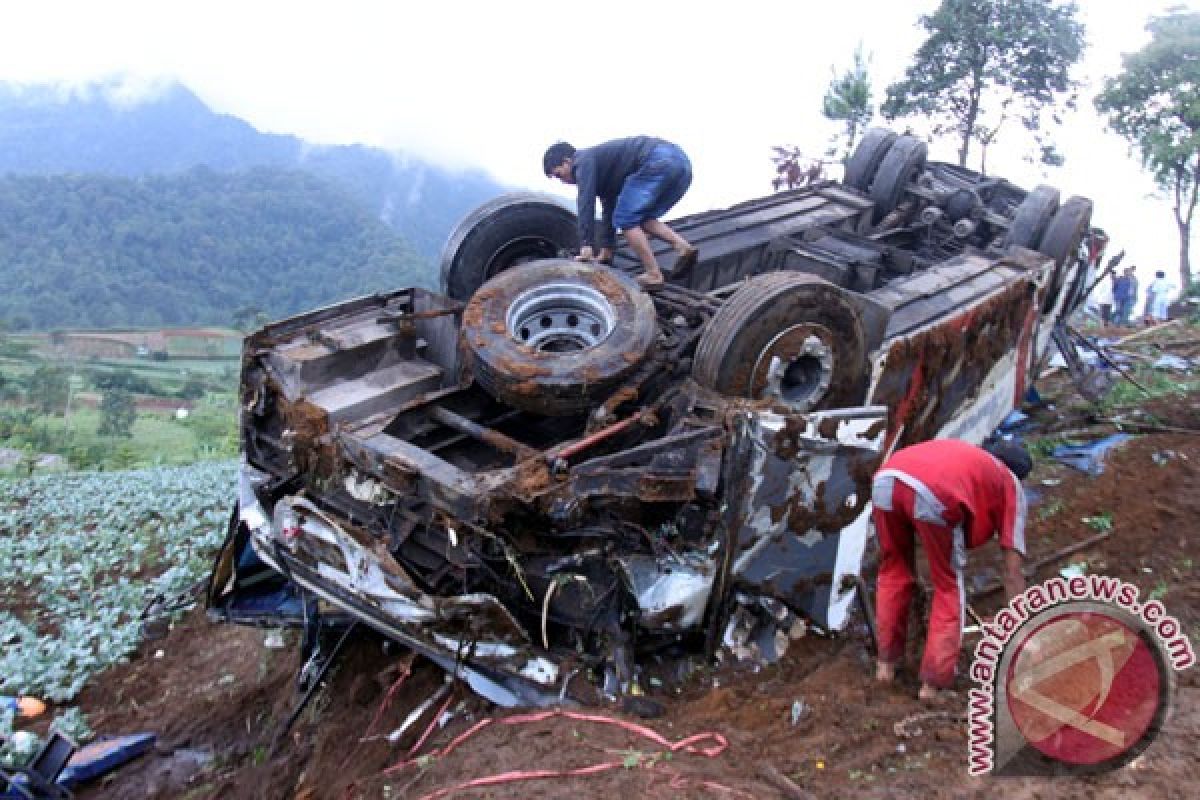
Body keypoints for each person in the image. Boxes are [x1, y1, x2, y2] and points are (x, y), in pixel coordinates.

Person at [871, 438, 1031, 701]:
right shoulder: (1009, 482)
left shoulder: (970, 459)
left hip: (886, 480)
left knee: (893, 572)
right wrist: (1022, 629)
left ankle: (885, 668)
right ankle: (932, 686)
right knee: (948, 586)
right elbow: (1012, 571)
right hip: (933, 492)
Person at [544, 136, 698, 286]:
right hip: (680, 164)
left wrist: (586, 245)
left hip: (657, 159)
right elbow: (608, 210)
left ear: (567, 161)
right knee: (640, 217)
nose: (563, 181)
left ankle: (653, 274)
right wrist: (606, 251)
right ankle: (683, 247)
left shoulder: (582, 160)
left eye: (559, 174)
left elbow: (586, 201)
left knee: (626, 219)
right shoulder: (603, 171)